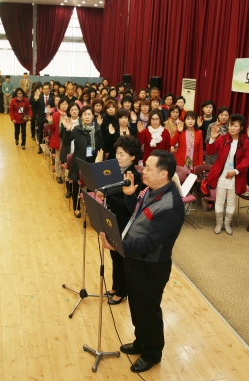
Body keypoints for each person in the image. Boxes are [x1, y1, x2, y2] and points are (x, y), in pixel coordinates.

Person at [100, 150, 184, 373]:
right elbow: (137, 217)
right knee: (137, 307)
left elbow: (150, 243)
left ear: (164, 174)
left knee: (148, 311)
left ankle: (152, 353)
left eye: (148, 168)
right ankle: (141, 342)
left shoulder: (170, 206)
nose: (142, 171)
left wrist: (118, 246)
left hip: (151, 266)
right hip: (135, 261)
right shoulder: (151, 190)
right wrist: (129, 196)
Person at [96, 135, 142, 305]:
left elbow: (127, 204)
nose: (118, 157)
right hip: (112, 217)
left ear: (132, 156)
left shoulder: (134, 175)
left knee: (121, 257)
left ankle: (122, 291)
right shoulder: (117, 172)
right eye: (117, 153)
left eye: (122, 154)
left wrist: (105, 196)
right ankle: (116, 286)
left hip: (124, 220)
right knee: (114, 255)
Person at [207, 114, 249, 235]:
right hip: (222, 175)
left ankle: (227, 224)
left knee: (232, 201)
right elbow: (211, 151)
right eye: (230, 125)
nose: (232, 128)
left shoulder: (245, 142)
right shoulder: (222, 139)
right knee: (219, 200)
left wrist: (236, 171)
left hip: (236, 175)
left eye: (235, 126)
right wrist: (212, 138)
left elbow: (247, 158)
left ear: (241, 127)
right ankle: (219, 224)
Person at [61, 105, 103, 217]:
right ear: (81, 116)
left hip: (92, 162)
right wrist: (67, 130)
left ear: (93, 116)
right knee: (76, 187)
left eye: (89, 114)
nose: (87, 117)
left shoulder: (98, 129)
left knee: (91, 187)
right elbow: (66, 142)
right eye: (85, 114)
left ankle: (90, 207)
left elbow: (101, 146)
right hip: (78, 162)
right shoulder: (77, 129)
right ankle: (77, 207)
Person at [46, 97, 70, 183]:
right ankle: (58, 175)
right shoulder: (56, 115)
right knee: (58, 158)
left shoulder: (70, 114)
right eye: (62, 104)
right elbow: (52, 128)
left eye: (66, 104)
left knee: (68, 159)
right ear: (59, 105)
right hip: (58, 139)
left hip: (68, 140)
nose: (64, 106)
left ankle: (67, 177)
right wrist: (50, 122)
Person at [32, 83, 53, 154]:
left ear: (49, 90)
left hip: (49, 117)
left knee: (50, 133)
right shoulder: (39, 97)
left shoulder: (52, 98)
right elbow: (34, 107)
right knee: (41, 133)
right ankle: (40, 148)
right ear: (42, 90)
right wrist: (35, 100)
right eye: (45, 89)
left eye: (47, 89)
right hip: (41, 117)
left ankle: (49, 148)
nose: (46, 90)